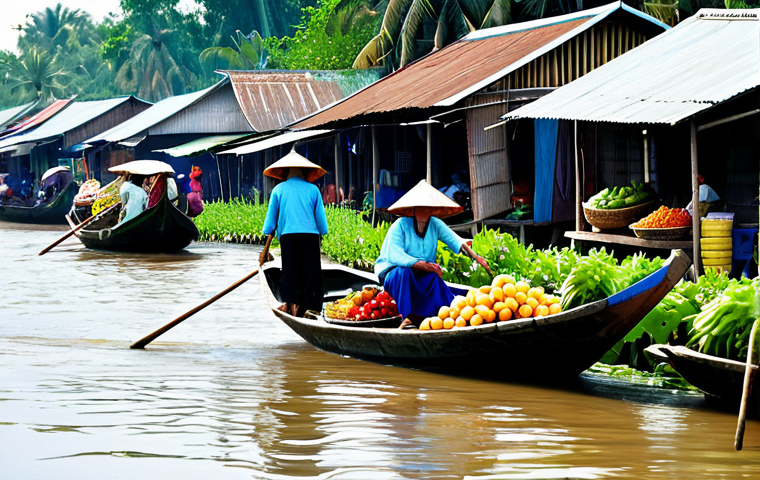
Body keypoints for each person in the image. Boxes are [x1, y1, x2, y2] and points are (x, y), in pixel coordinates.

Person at [375, 180, 490, 322]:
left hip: (421, 272)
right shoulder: (400, 225)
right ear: (414, 209)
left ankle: (442, 314)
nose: (424, 211)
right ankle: (405, 316)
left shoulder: (435, 224)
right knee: (404, 272)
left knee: (434, 279)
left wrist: (476, 257)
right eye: (420, 207)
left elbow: (456, 240)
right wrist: (424, 265)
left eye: (428, 207)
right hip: (394, 273)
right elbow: (395, 255)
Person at [261, 150, 329, 317]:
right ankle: (311, 306)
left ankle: (291, 304)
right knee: (311, 271)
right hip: (310, 237)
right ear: (304, 171)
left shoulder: (278, 190)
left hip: (288, 236)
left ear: (285, 172)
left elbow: (270, 222)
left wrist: (267, 233)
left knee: (290, 270)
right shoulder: (313, 190)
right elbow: (321, 223)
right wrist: (323, 232)